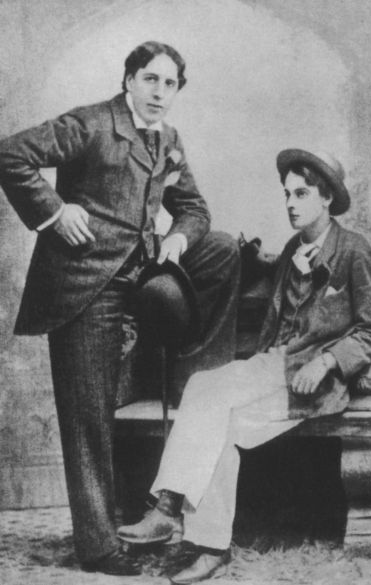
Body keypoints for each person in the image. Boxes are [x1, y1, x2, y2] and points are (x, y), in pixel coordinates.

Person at [0, 41, 240, 575]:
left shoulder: (168, 139)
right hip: (86, 282)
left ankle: (199, 376)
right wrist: (54, 212)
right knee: (88, 415)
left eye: (170, 84)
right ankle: (98, 546)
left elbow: (195, 209)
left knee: (222, 247)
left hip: (139, 278)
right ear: (129, 80)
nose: (159, 92)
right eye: (150, 79)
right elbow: (10, 153)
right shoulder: (91, 124)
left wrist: (178, 237)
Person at [118, 148, 371, 584]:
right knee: (218, 427)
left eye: (301, 194)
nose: (290, 204)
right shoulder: (292, 251)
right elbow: (272, 291)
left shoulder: (355, 253)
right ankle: (211, 547)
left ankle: (167, 507)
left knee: (203, 387)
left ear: (327, 199)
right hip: (273, 367)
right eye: (287, 194)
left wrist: (327, 360)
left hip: (312, 385)